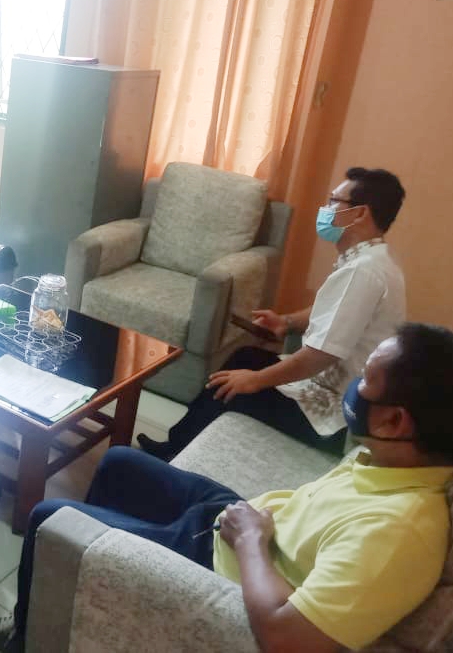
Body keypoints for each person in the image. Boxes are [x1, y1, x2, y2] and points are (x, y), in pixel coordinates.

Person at [0, 323, 453, 653]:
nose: (354, 389)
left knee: (49, 519)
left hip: (227, 558)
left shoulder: (399, 534)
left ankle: (27, 638)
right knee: (120, 463)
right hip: (242, 525)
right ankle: (66, 601)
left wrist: (251, 541)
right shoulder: (396, 458)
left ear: (396, 421)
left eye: (366, 383)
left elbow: (289, 638)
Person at [138, 167, 406, 459]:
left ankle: (172, 456)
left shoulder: (363, 273)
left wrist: (254, 381)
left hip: (337, 412)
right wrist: (286, 322)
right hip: (327, 386)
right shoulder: (369, 260)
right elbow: (330, 310)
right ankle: (175, 443)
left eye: (334, 201)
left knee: (233, 388)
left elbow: (320, 356)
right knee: (245, 358)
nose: (326, 209)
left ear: (359, 213)